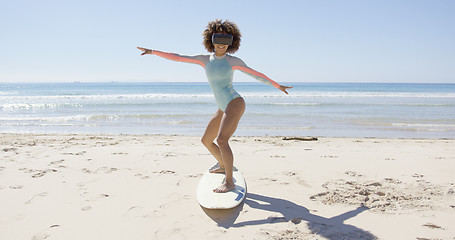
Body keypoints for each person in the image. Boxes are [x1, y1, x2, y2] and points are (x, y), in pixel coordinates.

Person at [137, 19, 292, 193]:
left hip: (234, 103)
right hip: (222, 106)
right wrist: (152, 52)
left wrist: (278, 86)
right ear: (212, 40)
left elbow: (257, 74)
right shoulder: (204, 60)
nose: (222, 45)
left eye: (226, 40)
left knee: (222, 140)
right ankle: (222, 164)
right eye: (218, 39)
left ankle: (229, 182)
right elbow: (178, 57)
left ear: (232, 42)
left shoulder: (233, 61)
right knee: (206, 140)